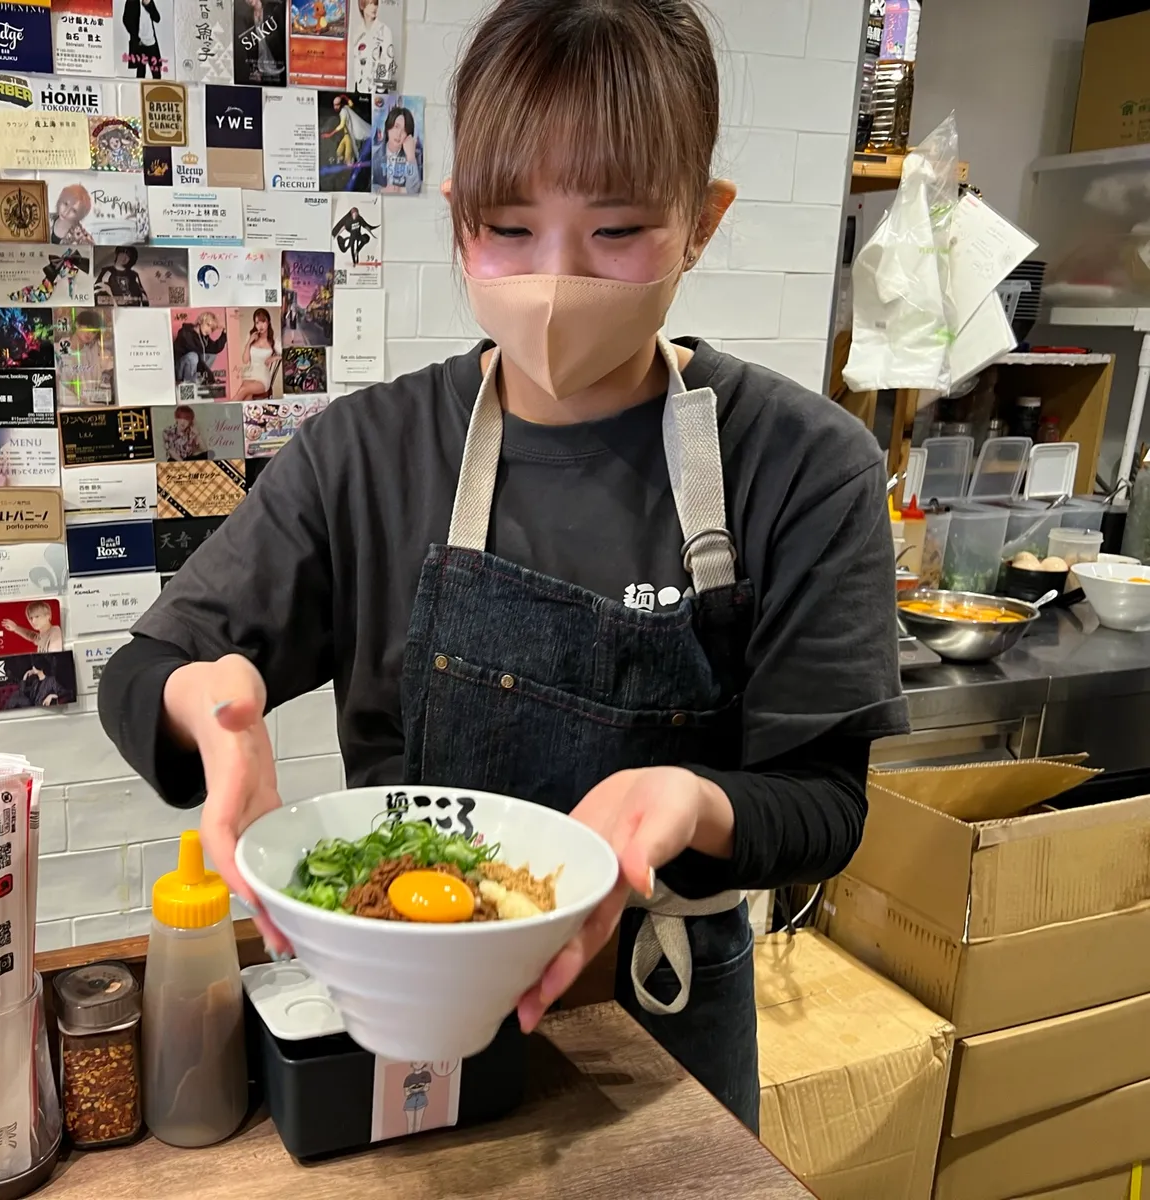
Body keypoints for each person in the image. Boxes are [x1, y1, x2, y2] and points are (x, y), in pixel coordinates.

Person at [99, 0, 908, 1134]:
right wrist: (209, 707)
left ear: (703, 221)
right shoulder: (369, 454)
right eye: (509, 229)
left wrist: (692, 799)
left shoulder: (799, 466)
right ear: (454, 217)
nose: (554, 279)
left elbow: (824, 804)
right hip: (403, 1005)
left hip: (655, 1016)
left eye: (618, 232)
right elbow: (148, 669)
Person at [228, 308, 280, 402]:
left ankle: (227, 410)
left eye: (263, 321)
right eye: (257, 323)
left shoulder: (274, 341)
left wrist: (274, 358)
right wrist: (249, 342)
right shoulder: (251, 336)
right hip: (251, 376)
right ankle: (243, 414)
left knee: (244, 389)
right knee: (246, 395)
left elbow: (286, 353)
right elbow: (245, 360)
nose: (260, 326)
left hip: (262, 379)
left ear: (268, 322)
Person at [374, 103, 423, 195]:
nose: (399, 134)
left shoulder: (415, 156)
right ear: (388, 127)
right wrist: (381, 190)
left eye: (404, 130)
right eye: (396, 127)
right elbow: (368, 186)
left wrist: (411, 157)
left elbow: (414, 190)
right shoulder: (375, 155)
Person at [350, 0, 398, 92]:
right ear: (362, 6)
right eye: (371, 4)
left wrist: (380, 89)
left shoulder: (385, 31)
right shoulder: (357, 32)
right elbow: (355, 60)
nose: (374, 8)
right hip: (360, 87)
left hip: (379, 89)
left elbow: (388, 60)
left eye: (376, 4)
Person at [173, 311, 228, 390]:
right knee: (193, 356)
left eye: (212, 329)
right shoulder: (185, 332)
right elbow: (195, 351)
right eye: (208, 325)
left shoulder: (203, 338)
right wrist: (210, 376)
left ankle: (199, 379)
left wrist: (224, 333)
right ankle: (189, 384)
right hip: (179, 370)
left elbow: (215, 348)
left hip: (194, 369)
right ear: (200, 321)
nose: (209, 330)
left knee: (212, 354)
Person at [237, 0, 285, 85]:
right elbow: (250, 44)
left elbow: (283, 34)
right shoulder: (248, 16)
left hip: (278, 66)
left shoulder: (274, 8)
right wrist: (254, 69)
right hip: (261, 68)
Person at [121, 0, 165, 79]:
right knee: (140, 73)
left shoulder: (148, 1)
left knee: (156, 72)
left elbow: (157, 18)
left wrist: (148, 5)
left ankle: (157, 90)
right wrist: (135, 35)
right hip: (139, 43)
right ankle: (140, 91)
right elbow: (126, 20)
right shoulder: (131, 2)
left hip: (151, 41)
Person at [4, 658, 69, 709]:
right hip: (32, 705)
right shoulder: (35, 682)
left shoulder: (51, 680)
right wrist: (25, 677)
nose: (32, 668)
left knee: (16, 697)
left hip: (40, 706)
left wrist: (51, 696)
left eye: (34, 666)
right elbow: (22, 692)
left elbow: (64, 692)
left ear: (40, 667)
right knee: (16, 695)